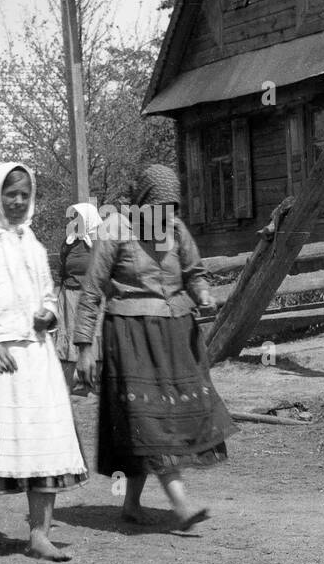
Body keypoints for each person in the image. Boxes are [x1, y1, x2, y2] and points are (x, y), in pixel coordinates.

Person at [74, 164, 235, 530]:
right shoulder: (116, 228)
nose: (166, 216)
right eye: (159, 207)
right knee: (149, 419)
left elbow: (194, 273)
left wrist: (204, 295)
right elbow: (92, 290)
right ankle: (181, 505)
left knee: (154, 421)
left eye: (172, 208)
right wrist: (84, 346)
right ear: (143, 203)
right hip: (131, 336)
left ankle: (131, 504)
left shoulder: (176, 230)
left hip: (178, 336)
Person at [0, 163, 88, 561]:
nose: (18, 201)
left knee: (46, 442)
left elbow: (48, 297)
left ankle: (39, 534)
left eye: (25, 194)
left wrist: (49, 316)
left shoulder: (34, 244)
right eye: (11, 193)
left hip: (35, 356)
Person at [56, 202, 103, 393]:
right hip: (70, 294)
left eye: (77, 217)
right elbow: (61, 267)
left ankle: (95, 379)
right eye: (72, 218)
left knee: (93, 333)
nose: (73, 221)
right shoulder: (69, 242)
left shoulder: (99, 241)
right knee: (71, 334)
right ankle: (77, 381)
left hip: (92, 295)